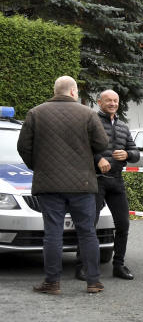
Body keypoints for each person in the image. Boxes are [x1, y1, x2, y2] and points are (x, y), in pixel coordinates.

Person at [17, 76, 109, 295]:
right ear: (73, 92)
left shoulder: (35, 113)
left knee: (52, 233)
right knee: (87, 232)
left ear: (55, 91)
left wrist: (37, 166)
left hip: (49, 184)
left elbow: (23, 147)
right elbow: (102, 144)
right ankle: (93, 282)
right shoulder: (88, 114)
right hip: (82, 183)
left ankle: (52, 283)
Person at [86, 89, 140, 281]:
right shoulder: (91, 121)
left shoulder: (124, 126)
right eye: (108, 100)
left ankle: (119, 265)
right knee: (88, 225)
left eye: (115, 101)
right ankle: (83, 265)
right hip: (96, 180)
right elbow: (83, 147)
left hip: (116, 181)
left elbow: (135, 152)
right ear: (99, 102)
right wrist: (98, 159)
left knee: (123, 224)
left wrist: (128, 155)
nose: (112, 103)